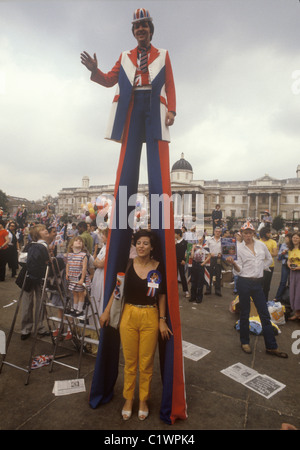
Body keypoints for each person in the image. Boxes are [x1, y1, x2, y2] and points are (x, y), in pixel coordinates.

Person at [83, 8, 187, 424]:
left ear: (152, 31)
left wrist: (172, 108)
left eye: (145, 27)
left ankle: (146, 399)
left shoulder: (162, 55)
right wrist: (95, 72)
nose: (141, 32)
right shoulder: (127, 57)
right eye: (136, 28)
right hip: (132, 109)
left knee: (159, 178)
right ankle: (128, 397)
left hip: (152, 109)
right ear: (133, 32)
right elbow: (110, 79)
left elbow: (172, 86)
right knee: (125, 174)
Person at [100, 230, 172, 421]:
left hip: (150, 315)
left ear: (152, 247)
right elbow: (118, 290)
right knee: (130, 362)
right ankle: (128, 399)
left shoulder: (158, 267)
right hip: (128, 315)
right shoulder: (129, 264)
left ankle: (143, 401)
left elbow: (162, 295)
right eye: (138, 243)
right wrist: (107, 311)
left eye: (145, 243)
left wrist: (162, 320)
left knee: (146, 363)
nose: (141, 246)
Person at [227, 221, 288, 358]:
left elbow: (268, 260)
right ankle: (244, 342)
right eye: (245, 233)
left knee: (264, 314)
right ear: (241, 234)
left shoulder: (261, 245)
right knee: (245, 313)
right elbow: (238, 270)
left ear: (253, 233)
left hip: (258, 283)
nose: (247, 235)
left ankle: (271, 346)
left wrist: (261, 268)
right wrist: (233, 263)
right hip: (244, 282)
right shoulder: (238, 248)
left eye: (250, 232)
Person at [20, 224, 51, 340]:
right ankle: (29, 328)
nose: (46, 230)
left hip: (38, 277)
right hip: (32, 277)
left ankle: (35, 327)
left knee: (40, 302)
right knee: (28, 302)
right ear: (37, 234)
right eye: (42, 230)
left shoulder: (45, 245)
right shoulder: (32, 245)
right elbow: (22, 260)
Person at [66, 236, 90, 317]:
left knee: (81, 293)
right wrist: (67, 273)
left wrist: (82, 279)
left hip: (80, 277)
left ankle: (80, 309)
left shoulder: (83, 255)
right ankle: (74, 308)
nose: (79, 241)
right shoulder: (69, 255)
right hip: (72, 277)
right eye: (76, 240)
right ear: (72, 245)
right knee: (74, 293)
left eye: (80, 241)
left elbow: (84, 268)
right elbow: (68, 264)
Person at [90, 228, 108, 320]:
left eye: (103, 235)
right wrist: (97, 262)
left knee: (100, 297)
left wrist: (97, 262)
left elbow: (100, 264)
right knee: (95, 295)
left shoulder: (109, 248)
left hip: (103, 275)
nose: (101, 237)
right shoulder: (104, 247)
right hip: (98, 274)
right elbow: (95, 261)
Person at [190, 237, 211, 303]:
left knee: (200, 282)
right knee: (193, 281)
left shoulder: (205, 247)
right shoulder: (195, 246)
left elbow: (209, 255)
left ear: (203, 239)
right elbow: (192, 256)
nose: (200, 239)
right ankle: (193, 296)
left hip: (201, 265)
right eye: (198, 237)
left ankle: (199, 297)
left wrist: (204, 263)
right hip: (194, 264)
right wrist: (193, 248)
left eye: (201, 238)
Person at [259, 226, 278, 301]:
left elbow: (275, 253)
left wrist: (265, 254)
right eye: (268, 233)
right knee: (259, 284)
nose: (270, 234)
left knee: (267, 285)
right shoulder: (258, 242)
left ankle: (265, 300)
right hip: (259, 265)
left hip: (270, 266)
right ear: (264, 234)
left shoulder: (273, 242)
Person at [287, 231, 300, 321]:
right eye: (293, 238)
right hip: (293, 273)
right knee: (294, 292)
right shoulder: (290, 249)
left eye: (297, 238)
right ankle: (297, 313)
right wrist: (288, 264)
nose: (295, 239)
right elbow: (289, 260)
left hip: (299, 272)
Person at [274, 233, 291, 302]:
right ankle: (278, 297)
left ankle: (290, 298)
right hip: (284, 264)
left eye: (287, 238)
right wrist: (283, 253)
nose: (286, 239)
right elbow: (278, 258)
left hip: (293, 265)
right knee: (283, 281)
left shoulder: (294, 246)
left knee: (291, 282)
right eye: (285, 238)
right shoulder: (283, 245)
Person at [206, 226, 222, 296]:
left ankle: (217, 290)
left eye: (219, 232)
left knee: (218, 275)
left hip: (218, 259)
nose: (217, 233)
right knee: (209, 274)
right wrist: (209, 253)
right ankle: (208, 289)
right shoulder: (209, 240)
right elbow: (205, 249)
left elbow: (225, 250)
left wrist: (221, 254)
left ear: (221, 232)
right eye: (216, 231)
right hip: (211, 258)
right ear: (214, 232)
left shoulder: (223, 240)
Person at [175, 229, 190, 298]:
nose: (173, 235)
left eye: (174, 233)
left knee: (182, 276)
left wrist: (184, 260)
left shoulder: (185, 242)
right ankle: (174, 291)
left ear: (178, 234)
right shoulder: (173, 242)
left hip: (181, 262)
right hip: (174, 262)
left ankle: (186, 291)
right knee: (174, 276)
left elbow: (187, 252)